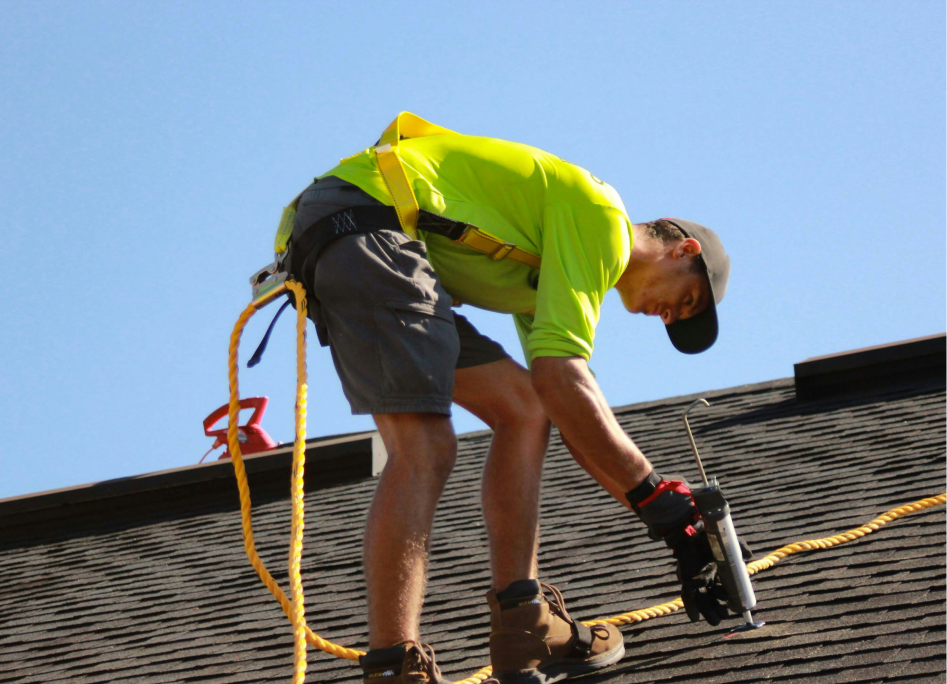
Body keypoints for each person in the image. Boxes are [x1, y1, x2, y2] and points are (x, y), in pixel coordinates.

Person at [278, 113, 733, 684]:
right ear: (682, 249)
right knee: (425, 448)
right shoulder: (601, 218)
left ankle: (525, 625)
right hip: (365, 230)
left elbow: (557, 398)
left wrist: (657, 508)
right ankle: (395, 667)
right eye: (685, 301)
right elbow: (567, 376)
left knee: (524, 409)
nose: (668, 315)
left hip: (370, 244)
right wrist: (661, 502)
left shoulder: (547, 268)